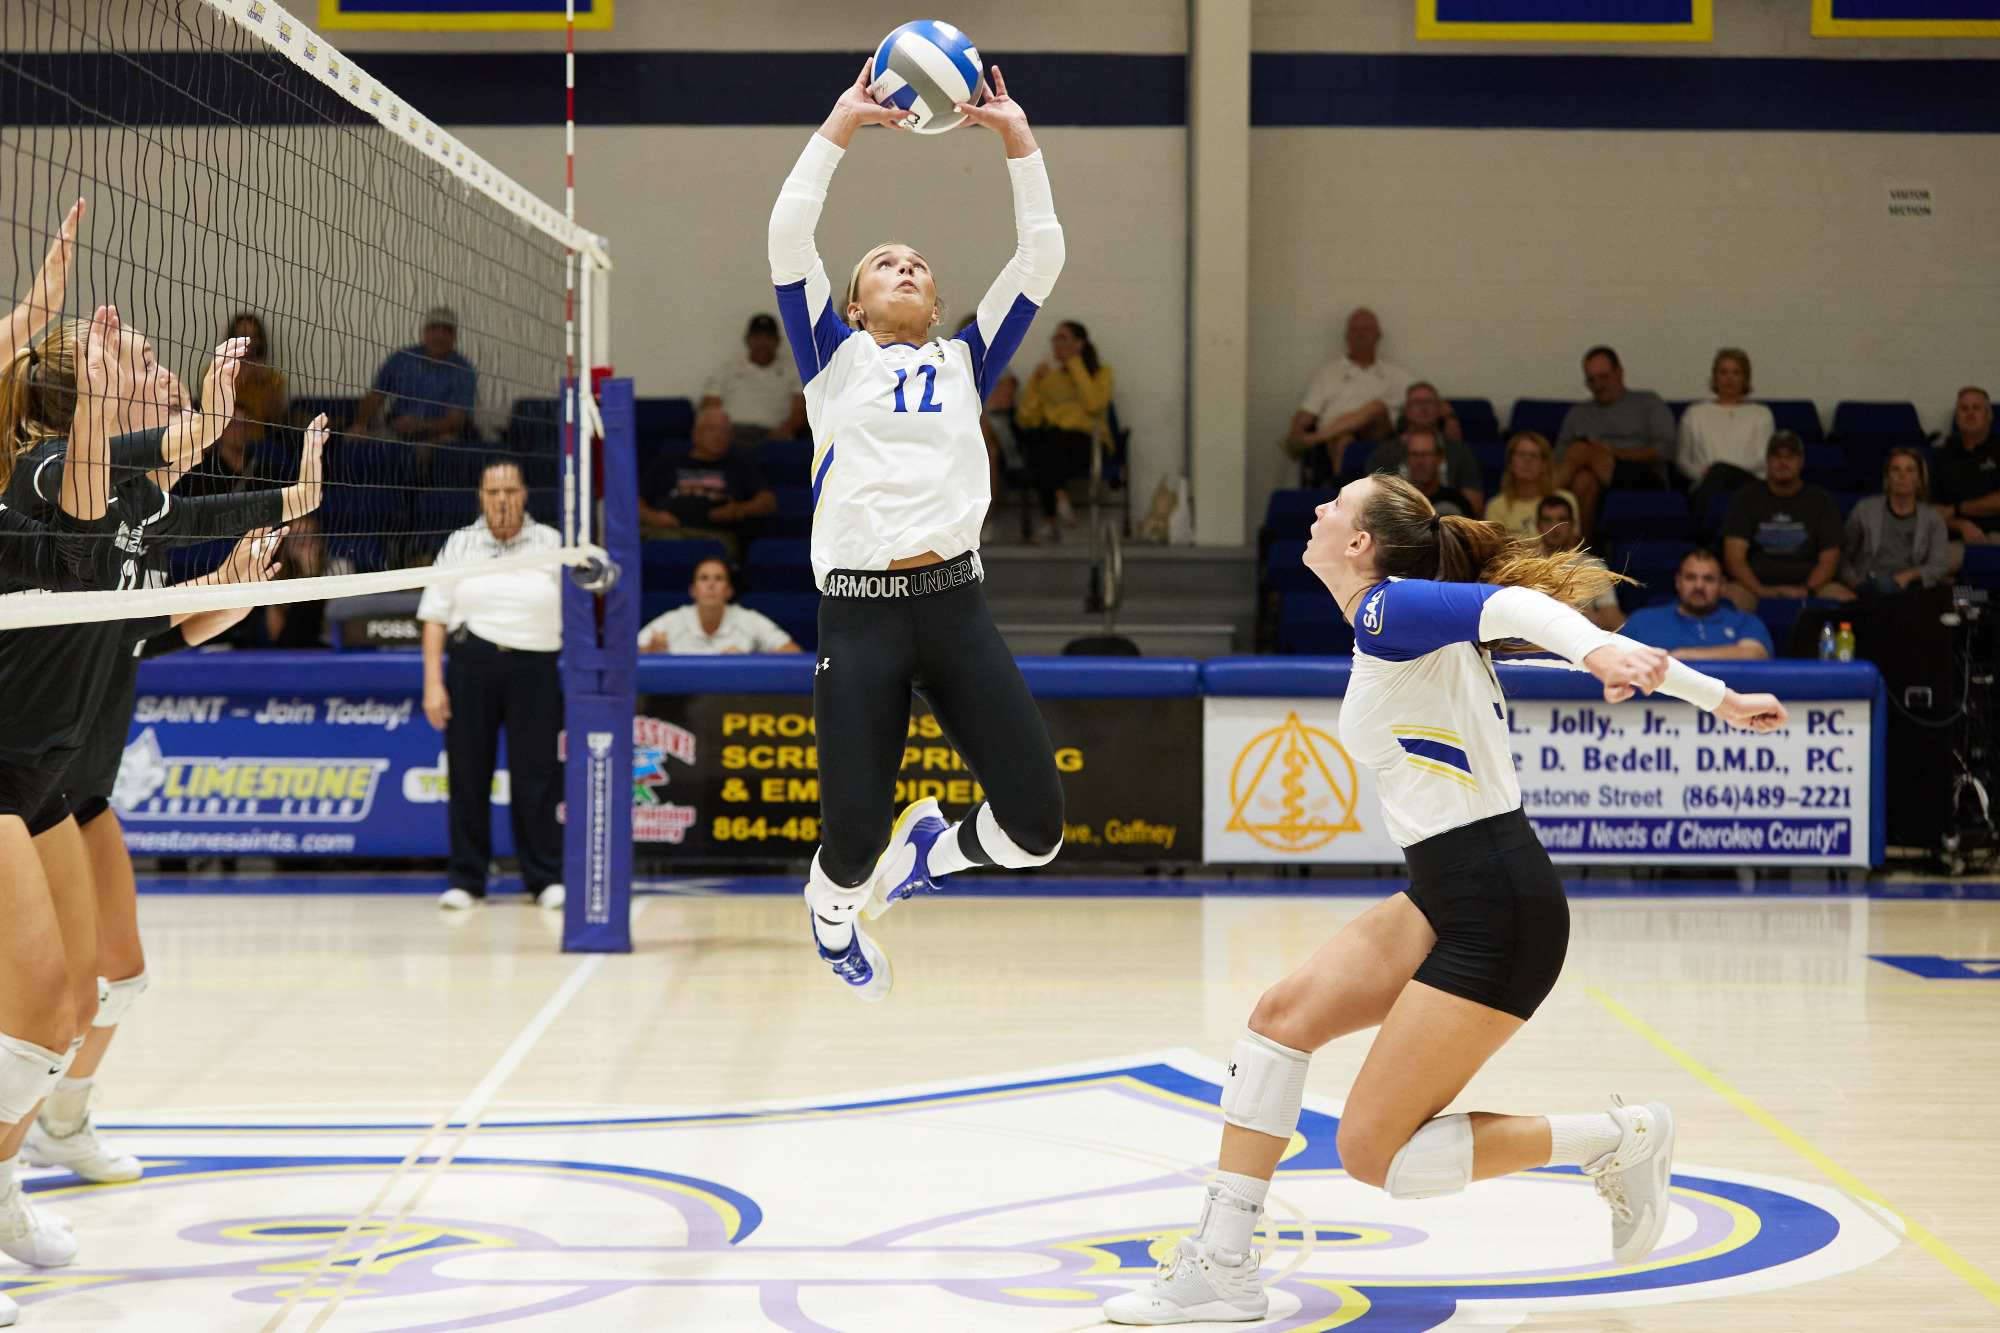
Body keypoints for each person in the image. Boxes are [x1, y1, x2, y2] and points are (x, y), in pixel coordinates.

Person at [1103, 473, 1785, 1325]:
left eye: (1335, 505)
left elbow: (1514, 609)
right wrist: (1715, 695)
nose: (1316, 509)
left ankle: (1618, 1138)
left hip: (1498, 905)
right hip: (1446, 888)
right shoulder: (1393, 619)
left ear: (1360, 544)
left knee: (1374, 1153)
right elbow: (1518, 612)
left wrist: (1600, 652)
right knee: (1280, 1020)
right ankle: (1223, 1263)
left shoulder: (1389, 608)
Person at [770, 62, 1067, 1000]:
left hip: (953, 609)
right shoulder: (832, 359)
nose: (905, 265)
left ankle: (933, 857)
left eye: (920, 265)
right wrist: (839, 125)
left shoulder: (964, 360)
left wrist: (1017, 138)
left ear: (936, 307)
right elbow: (788, 237)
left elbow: (1041, 258)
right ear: (855, 304)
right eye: (883, 263)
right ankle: (831, 916)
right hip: (857, 619)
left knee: (1035, 832)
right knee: (850, 846)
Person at [0, 299, 236, 1275]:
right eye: (131, 356)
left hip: (52, 772)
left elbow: (121, 619)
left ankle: (21, 1173)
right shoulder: (53, 474)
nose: (155, 366)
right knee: (53, 999)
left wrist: (208, 603)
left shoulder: (118, 500)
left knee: (76, 997)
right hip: (19, 762)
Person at [418, 459, 565, 912]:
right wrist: (432, 684)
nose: (501, 499)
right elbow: (434, 617)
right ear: (481, 498)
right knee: (467, 774)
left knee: (537, 776)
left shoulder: (552, 542)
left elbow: (580, 616)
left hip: (536, 668)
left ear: (525, 495)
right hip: (472, 665)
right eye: (492, 492)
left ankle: (543, 879)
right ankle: (467, 879)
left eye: (510, 491)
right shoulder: (461, 543)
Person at [1719, 431, 1851, 612]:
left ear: (1802, 461)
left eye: (1790, 456)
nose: (1783, 462)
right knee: (1728, 601)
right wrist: (1760, 590)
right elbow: (1734, 557)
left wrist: (1807, 589)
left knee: (1847, 601)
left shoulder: (1822, 500)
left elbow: (1830, 558)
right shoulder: (1744, 497)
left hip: (1812, 586)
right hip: (1752, 586)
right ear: (1767, 460)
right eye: (1776, 456)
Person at [1553, 346, 1677, 538]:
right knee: (1583, 481)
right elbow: (1560, 457)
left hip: (1643, 477)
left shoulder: (1647, 402)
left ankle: (1537, 499)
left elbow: (1667, 448)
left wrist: (1611, 453)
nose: (1598, 385)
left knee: (1580, 449)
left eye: (1603, 377)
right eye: (1591, 380)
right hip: (1595, 480)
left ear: (1619, 372)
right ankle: (1584, 551)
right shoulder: (1577, 414)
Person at [1285, 308, 1414, 485]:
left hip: (1378, 434)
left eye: (1366, 329)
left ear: (1378, 335)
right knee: (1344, 439)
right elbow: (1306, 413)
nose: (1360, 333)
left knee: (1376, 407)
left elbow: (1428, 399)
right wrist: (1296, 434)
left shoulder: (1395, 374)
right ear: (1347, 336)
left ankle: (1316, 438)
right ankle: (1340, 489)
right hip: (1336, 439)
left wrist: (1450, 416)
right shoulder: (1329, 372)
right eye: (1355, 329)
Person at [1014, 320, 1113, 543]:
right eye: (1055, 339)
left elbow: (1094, 404)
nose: (1057, 344)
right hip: (1055, 445)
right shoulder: (1050, 378)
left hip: (1090, 444)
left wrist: (1075, 363)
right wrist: (1034, 383)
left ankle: (1051, 518)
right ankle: (1059, 500)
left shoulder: (1101, 374)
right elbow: (1028, 420)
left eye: (1063, 338)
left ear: (1080, 344)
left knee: (1050, 445)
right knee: (1042, 447)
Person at [637, 406, 776, 554]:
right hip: (664, 531)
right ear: (695, 433)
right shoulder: (668, 462)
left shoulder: (739, 466)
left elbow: (768, 501)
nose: (718, 435)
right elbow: (634, 503)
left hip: (716, 536)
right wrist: (654, 518)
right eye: (711, 429)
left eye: (724, 431)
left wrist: (739, 510)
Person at [348, 306, 477, 444]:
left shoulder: (463, 370)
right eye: (434, 329)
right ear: (424, 332)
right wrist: (360, 424)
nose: (439, 336)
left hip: (437, 436)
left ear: (454, 337)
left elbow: (456, 421)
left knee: (448, 441)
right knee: (357, 440)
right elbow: (375, 396)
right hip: (397, 430)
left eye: (446, 330)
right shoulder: (403, 358)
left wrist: (419, 425)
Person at [1677, 348, 1773, 531]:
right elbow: (1682, 461)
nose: (1729, 379)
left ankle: (1699, 535)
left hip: (1748, 483)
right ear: (1715, 376)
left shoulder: (1761, 414)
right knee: (1716, 475)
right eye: (1723, 372)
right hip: (1706, 483)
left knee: (1720, 471)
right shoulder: (1695, 413)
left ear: (1745, 378)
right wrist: (1702, 474)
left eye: (1736, 373)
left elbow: (1764, 459)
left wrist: (1725, 472)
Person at [1621, 548, 1773, 659]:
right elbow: (1613, 661)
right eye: (1691, 578)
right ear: (1678, 582)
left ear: (1722, 584)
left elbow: (1754, 654)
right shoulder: (1641, 621)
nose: (1699, 586)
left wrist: (1681, 656)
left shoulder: (1745, 622)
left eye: (1708, 579)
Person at [1844, 447, 1950, 597]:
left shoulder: (1932, 518)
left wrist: (1909, 575)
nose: (1902, 475)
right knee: (1883, 584)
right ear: (1888, 477)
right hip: (1871, 580)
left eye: (1909, 470)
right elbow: (1843, 551)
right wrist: (1851, 578)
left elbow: (1939, 566)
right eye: (1896, 469)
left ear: (1919, 481)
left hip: (1911, 585)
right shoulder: (1864, 510)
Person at [637, 557, 801, 654]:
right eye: (704, 578)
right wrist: (649, 652)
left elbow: (793, 651)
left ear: (729, 591)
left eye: (718, 578)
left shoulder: (748, 619)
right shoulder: (673, 620)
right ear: (693, 590)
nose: (711, 585)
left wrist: (750, 659)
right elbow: (628, 653)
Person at [1363, 383, 1482, 514]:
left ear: (1439, 408)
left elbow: (1473, 510)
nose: (1423, 407)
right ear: (1406, 410)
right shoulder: (1384, 453)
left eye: (1429, 402)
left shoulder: (1460, 452)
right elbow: (1372, 505)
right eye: (1417, 402)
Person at [701, 312, 807, 445]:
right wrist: (721, 431)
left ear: (778, 341)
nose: (762, 343)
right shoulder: (726, 370)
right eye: (757, 337)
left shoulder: (794, 371)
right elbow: (709, 407)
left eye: (768, 338)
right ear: (747, 339)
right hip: (731, 434)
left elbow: (800, 410)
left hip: (773, 436)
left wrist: (786, 430)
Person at [263, 513, 355, 647]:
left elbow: (335, 626)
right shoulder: (277, 575)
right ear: (285, 544)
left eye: (306, 536)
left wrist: (311, 572)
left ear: (319, 542)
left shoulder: (339, 568)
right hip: (291, 648)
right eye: (294, 536)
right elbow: (276, 636)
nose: (300, 542)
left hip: (329, 646)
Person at [1535, 495, 1623, 630]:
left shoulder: (1592, 566)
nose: (1555, 527)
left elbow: (1611, 616)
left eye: (1561, 520)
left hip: (1580, 637)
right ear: (1538, 525)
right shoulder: (1524, 565)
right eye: (1548, 520)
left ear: (1573, 524)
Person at [1931, 387, 1999, 547]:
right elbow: (1933, 510)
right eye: (1964, 409)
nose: (1970, 413)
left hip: (1997, 536)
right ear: (1956, 417)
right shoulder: (1942, 456)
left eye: (1976, 408)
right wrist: (1962, 525)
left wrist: (1957, 509)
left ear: (1989, 415)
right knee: (1936, 567)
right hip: (1955, 540)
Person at [214, 311, 287, 459]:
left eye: (255, 336)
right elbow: (212, 410)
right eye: (243, 336)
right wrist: (239, 378)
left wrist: (265, 384)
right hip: (224, 440)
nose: (250, 342)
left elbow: (274, 420)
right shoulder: (216, 373)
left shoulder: (272, 378)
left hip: (259, 443)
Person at [1483, 431, 1577, 540]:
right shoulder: (1495, 506)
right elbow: (1496, 551)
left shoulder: (1565, 499)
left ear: (1544, 464)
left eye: (1534, 455)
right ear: (1510, 463)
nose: (1527, 460)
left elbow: (1571, 545)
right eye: (1521, 454)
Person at [1391, 429, 1474, 518]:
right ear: (1407, 458)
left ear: (1440, 458)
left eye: (1426, 454)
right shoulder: (1395, 503)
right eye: (1414, 454)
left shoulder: (1458, 503)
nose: (1420, 461)